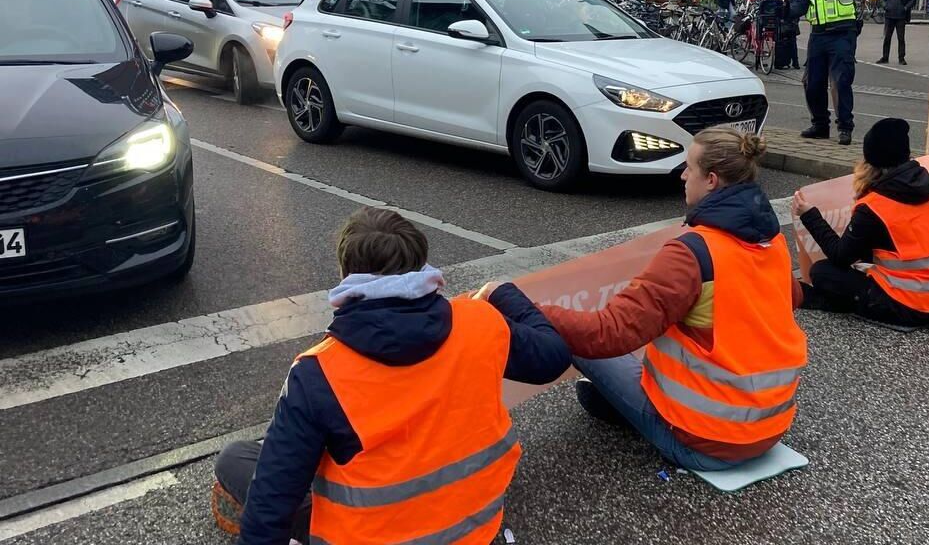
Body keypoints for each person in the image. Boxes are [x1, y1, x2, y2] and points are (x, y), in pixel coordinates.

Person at [212, 207, 570, 545]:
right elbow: (553, 358)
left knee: (237, 459)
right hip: (474, 526)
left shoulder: (318, 371)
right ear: (422, 265)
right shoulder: (480, 322)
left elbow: (268, 513)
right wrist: (502, 292)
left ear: (345, 274)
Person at [535, 126, 807, 471]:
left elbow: (610, 332)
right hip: (770, 428)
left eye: (689, 167)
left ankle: (625, 408)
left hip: (705, 444)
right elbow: (791, 298)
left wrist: (525, 308)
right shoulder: (772, 244)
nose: (682, 176)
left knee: (577, 336)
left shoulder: (692, 253)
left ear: (710, 180)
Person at [793, 118, 929, 328]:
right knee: (857, 268)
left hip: (912, 307)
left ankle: (828, 301)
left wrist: (810, 214)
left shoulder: (874, 206)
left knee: (822, 272)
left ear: (870, 161)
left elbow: (840, 257)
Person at [790, 0, 859, 145]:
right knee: (812, 83)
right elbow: (798, 7)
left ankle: (845, 128)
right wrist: (783, 10)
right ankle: (820, 125)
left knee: (840, 81)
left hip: (842, 33)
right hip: (818, 35)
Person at [876, 0, 916, 65]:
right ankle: (885, 57)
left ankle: (901, 58)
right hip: (889, 16)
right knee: (887, 38)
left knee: (901, 38)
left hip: (901, 17)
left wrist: (906, 8)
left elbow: (913, 0)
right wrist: (885, 6)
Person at [771, 0, 801, 70]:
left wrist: (795, 20)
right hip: (779, 22)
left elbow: (796, 7)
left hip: (790, 21)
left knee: (792, 42)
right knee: (779, 43)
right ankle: (780, 63)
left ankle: (795, 62)